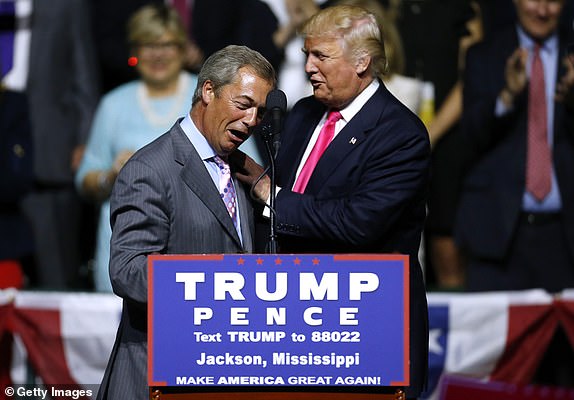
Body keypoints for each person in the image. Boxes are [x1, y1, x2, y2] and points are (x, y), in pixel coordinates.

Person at [236, 5, 430, 398]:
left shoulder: (401, 135)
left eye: (320, 56)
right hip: (297, 332)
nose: (308, 67)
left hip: (369, 334)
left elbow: (357, 224)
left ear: (362, 62)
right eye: (307, 53)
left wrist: (268, 193)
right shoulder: (304, 112)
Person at [96, 45, 275, 400]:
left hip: (219, 374)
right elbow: (129, 270)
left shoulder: (239, 169)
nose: (253, 121)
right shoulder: (151, 169)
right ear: (208, 91)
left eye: (261, 112)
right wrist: (216, 283)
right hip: (159, 375)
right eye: (243, 105)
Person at [76, 3, 198, 292]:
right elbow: (85, 179)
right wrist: (111, 175)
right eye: (147, 44)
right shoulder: (113, 104)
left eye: (167, 44)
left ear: (182, 48)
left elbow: (245, 172)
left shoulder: (206, 96)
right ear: (134, 50)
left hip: (192, 256)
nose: (158, 54)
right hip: (125, 254)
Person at [456, 0, 574, 292]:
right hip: (498, 236)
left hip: (565, 238)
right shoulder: (484, 55)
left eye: (553, 1)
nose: (543, 10)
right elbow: (468, 139)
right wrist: (506, 97)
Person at [1, 0, 100, 289]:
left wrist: (85, 141)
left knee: (54, 274)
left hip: (47, 154)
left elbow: (85, 77)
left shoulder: (64, 6)